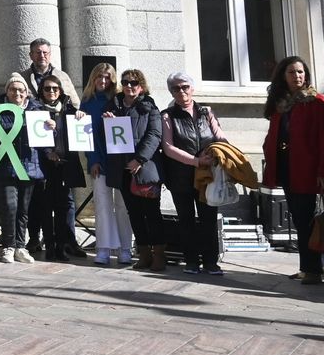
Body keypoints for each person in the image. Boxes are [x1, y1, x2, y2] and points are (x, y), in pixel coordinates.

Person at [262, 55, 324, 284]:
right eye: (291, 72)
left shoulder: (317, 102)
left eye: (300, 72)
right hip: (284, 167)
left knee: (305, 219)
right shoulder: (280, 104)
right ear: (283, 76)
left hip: (307, 169)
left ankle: (313, 269)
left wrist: (323, 172)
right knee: (300, 218)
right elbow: (274, 135)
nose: (297, 76)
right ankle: (309, 266)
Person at [159, 71, 225, 276]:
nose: (181, 91)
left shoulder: (206, 112)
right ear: (171, 91)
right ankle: (191, 261)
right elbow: (168, 147)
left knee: (208, 219)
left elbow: (220, 137)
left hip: (206, 176)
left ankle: (211, 262)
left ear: (192, 89)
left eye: (185, 87)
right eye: (176, 88)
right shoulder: (167, 115)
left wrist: (221, 152)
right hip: (180, 176)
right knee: (186, 220)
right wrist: (196, 161)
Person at [0, 73, 44, 263]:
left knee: (23, 209)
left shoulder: (36, 110)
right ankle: (8, 246)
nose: (17, 93)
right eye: (13, 89)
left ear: (27, 93)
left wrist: (51, 127)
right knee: (9, 207)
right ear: (7, 91)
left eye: (21, 90)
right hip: (5, 167)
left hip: (29, 166)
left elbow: (44, 140)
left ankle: (21, 247)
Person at [109, 68, 165, 273]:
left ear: (141, 86)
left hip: (146, 168)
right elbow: (107, 136)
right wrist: (106, 122)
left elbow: (154, 135)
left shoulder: (149, 107)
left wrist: (139, 159)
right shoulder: (113, 106)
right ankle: (144, 254)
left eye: (134, 83)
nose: (129, 86)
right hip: (122, 169)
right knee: (134, 213)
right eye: (125, 82)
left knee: (152, 213)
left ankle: (159, 255)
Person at [79, 63, 132, 266]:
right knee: (102, 205)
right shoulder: (87, 102)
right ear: (93, 78)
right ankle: (103, 247)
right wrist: (92, 160)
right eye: (99, 77)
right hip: (98, 161)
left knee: (122, 205)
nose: (103, 81)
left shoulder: (118, 100)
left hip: (119, 162)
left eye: (107, 77)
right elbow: (86, 135)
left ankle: (125, 248)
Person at [36, 72, 86, 261]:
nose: (51, 91)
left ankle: (63, 244)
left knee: (64, 207)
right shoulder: (36, 109)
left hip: (66, 165)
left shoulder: (69, 109)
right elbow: (35, 138)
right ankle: (50, 245)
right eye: (47, 88)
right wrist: (48, 152)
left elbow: (81, 131)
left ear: (60, 91)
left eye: (55, 88)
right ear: (42, 91)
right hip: (45, 165)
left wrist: (81, 115)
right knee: (47, 207)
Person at [24, 38, 81, 109]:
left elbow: (75, 104)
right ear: (31, 55)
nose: (42, 56)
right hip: (34, 118)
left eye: (45, 52)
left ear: (50, 54)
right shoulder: (23, 78)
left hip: (59, 118)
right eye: (38, 52)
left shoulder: (63, 76)